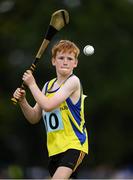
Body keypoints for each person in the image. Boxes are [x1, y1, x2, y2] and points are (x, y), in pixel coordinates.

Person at [13, 40, 88, 179]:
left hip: (74, 146)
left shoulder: (73, 81)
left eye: (70, 58)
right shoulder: (47, 86)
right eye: (61, 58)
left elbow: (48, 105)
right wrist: (23, 101)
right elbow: (34, 117)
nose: (65, 62)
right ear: (53, 61)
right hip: (54, 150)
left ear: (75, 63)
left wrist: (31, 83)